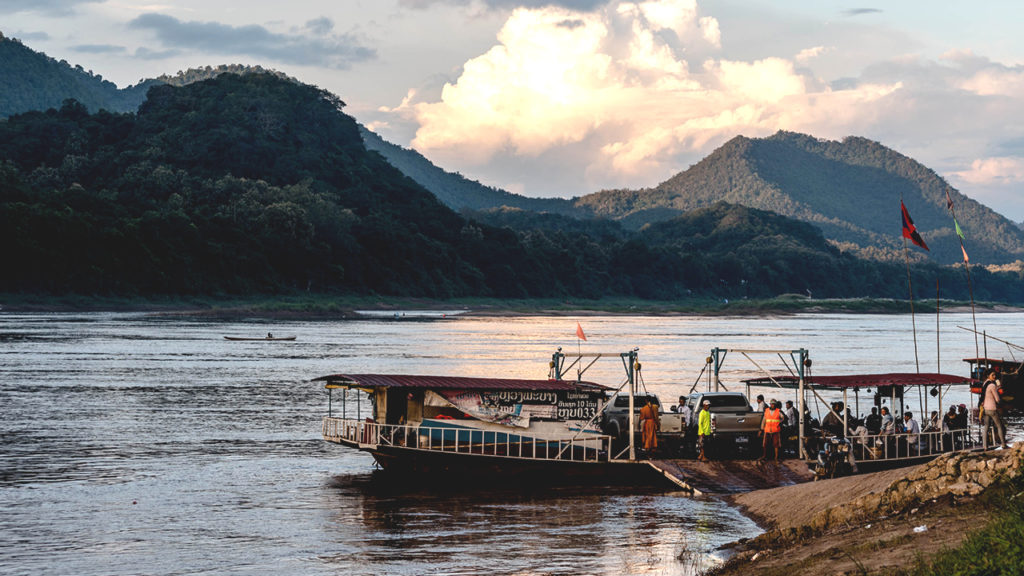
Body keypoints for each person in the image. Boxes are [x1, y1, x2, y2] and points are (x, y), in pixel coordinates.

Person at [981, 371, 1008, 450]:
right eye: (992, 375)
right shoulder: (992, 385)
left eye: (995, 375)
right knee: (999, 426)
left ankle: (985, 446)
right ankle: (1003, 444)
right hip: (992, 409)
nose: (994, 376)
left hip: (985, 409)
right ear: (988, 375)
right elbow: (997, 399)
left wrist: (997, 388)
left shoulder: (985, 383)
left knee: (986, 427)